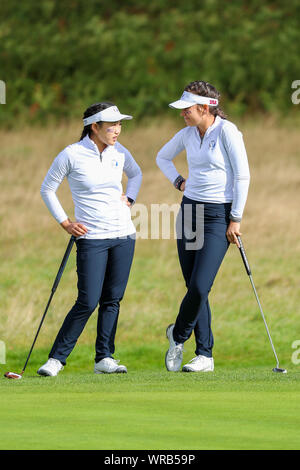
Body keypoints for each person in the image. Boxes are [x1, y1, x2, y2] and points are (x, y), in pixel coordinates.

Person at [37, 102, 142, 376]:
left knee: (112, 300)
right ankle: (56, 359)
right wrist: (65, 222)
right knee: (88, 300)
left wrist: (130, 198)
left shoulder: (119, 152)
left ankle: (104, 358)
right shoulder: (71, 155)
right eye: (112, 126)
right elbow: (47, 189)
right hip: (92, 237)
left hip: (123, 234)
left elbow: (136, 173)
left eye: (120, 125)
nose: (117, 130)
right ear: (94, 127)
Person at [156, 81, 250, 372]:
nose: (182, 113)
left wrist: (235, 218)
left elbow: (242, 176)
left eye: (187, 109)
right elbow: (162, 157)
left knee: (200, 284)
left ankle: (178, 335)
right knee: (195, 287)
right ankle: (205, 356)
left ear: (204, 107)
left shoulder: (227, 131)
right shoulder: (186, 134)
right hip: (190, 212)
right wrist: (178, 181)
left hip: (218, 216)